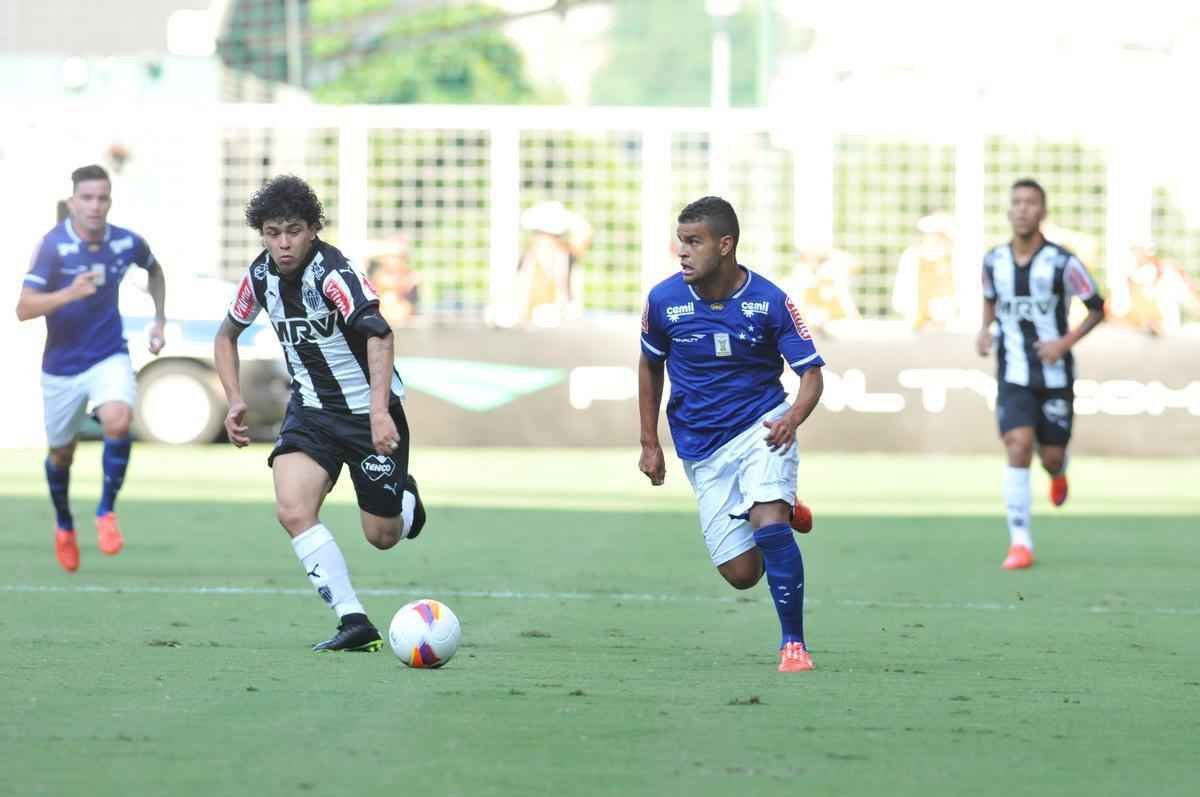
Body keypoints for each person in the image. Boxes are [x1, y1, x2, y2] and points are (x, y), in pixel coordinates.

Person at [213, 175, 427, 652]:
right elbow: (225, 336)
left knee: (383, 536)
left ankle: (405, 501)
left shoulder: (335, 274)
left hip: (366, 412)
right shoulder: (259, 277)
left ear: (312, 229)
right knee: (291, 510)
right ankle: (354, 621)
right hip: (310, 413)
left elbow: (381, 334)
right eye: (272, 232)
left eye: (292, 230)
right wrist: (233, 399)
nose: (283, 243)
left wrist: (377, 413)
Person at [638, 196, 825, 673]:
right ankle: (781, 506)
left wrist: (792, 418)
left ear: (726, 245)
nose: (683, 251)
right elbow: (649, 365)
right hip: (700, 446)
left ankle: (794, 646)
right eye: (681, 241)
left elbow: (811, 376)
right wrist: (648, 441)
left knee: (769, 525)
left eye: (694, 242)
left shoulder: (769, 300)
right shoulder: (664, 301)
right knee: (742, 575)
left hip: (762, 427)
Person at [16, 164, 167, 573]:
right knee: (61, 454)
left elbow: (154, 269)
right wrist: (68, 293)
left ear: (110, 201)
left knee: (118, 420)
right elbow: (23, 308)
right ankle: (64, 524)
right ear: (72, 202)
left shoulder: (125, 242)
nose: (95, 206)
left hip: (108, 354)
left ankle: (105, 512)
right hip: (62, 367)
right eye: (87, 198)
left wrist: (159, 319)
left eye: (102, 198)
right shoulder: (52, 246)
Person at [976, 179, 1105, 570]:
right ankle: (1020, 542)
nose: (1022, 209)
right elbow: (990, 298)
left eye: (1031, 202)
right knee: (1017, 444)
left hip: (1055, 376)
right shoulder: (993, 260)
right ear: (1009, 210)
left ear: (1042, 212)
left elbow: (1097, 307)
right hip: (1012, 374)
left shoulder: (1063, 262)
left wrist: (1063, 344)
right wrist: (985, 329)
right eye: (1016, 202)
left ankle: (1058, 471)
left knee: (1049, 457)